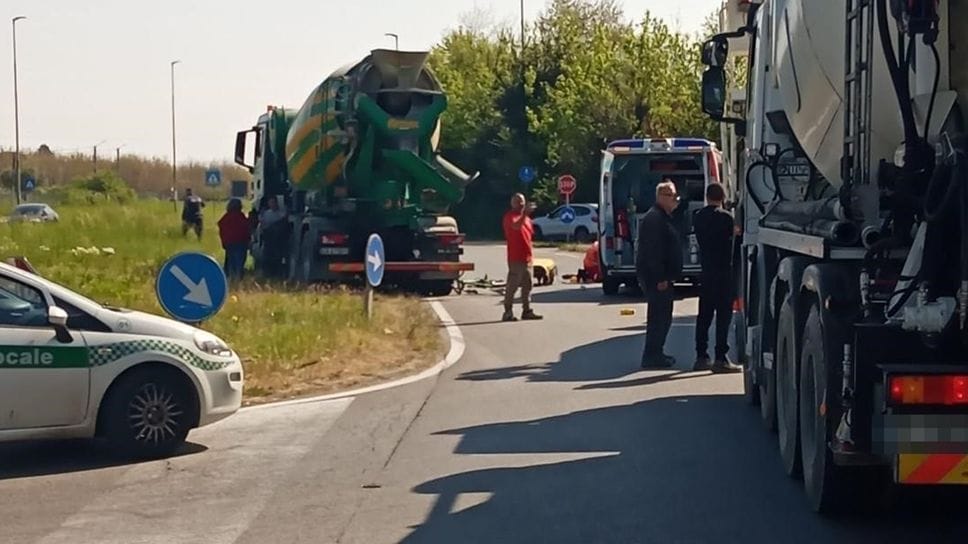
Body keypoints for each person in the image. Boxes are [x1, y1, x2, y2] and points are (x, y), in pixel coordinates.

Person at [692, 183, 743, 373]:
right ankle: (721, 357)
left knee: (704, 316)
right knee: (723, 316)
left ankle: (701, 356)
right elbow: (735, 240)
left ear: (707, 197)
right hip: (724, 273)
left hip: (706, 272)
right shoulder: (726, 218)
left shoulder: (698, 217)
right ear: (722, 197)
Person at [636, 180, 683, 368]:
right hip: (657, 279)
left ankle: (657, 352)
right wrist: (660, 277)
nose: (675, 199)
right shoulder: (655, 219)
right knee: (658, 318)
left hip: (663, 277)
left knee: (664, 317)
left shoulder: (663, 217)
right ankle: (652, 356)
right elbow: (653, 251)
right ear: (661, 197)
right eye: (672, 196)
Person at [502, 193, 543, 322]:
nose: (520, 204)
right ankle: (508, 312)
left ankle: (527, 310)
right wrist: (524, 214)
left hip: (527, 258)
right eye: (517, 202)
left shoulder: (528, 220)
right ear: (512, 203)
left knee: (527, 286)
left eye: (522, 201)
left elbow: (528, 237)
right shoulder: (510, 217)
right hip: (515, 258)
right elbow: (515, 226)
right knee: (512, 286)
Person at [217, 198, 251, 281]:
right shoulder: (241, 216)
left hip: (229, 242)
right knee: (240, 262)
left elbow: (221, 225)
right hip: (241, 242)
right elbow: (246, 228)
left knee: (231, 261)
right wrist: (248, 239)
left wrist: (223, 241)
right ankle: (238, 277)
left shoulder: (227, 216)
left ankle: (231, 277)